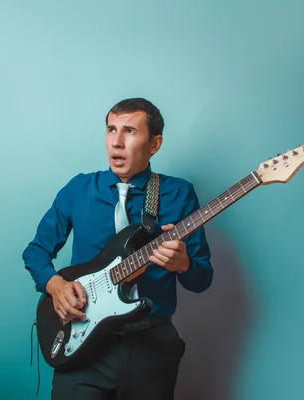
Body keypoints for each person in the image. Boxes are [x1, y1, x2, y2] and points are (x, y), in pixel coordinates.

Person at [23, 98, 213, 399]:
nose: (117, 142)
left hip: (150, 349)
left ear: (155, 144)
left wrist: (184, 264)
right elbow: (35, 251)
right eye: (111, 130)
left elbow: (202, 279)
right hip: (83, 346)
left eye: (130, 131)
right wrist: (56, 285)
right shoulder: (79, 189)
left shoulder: (179, 193)